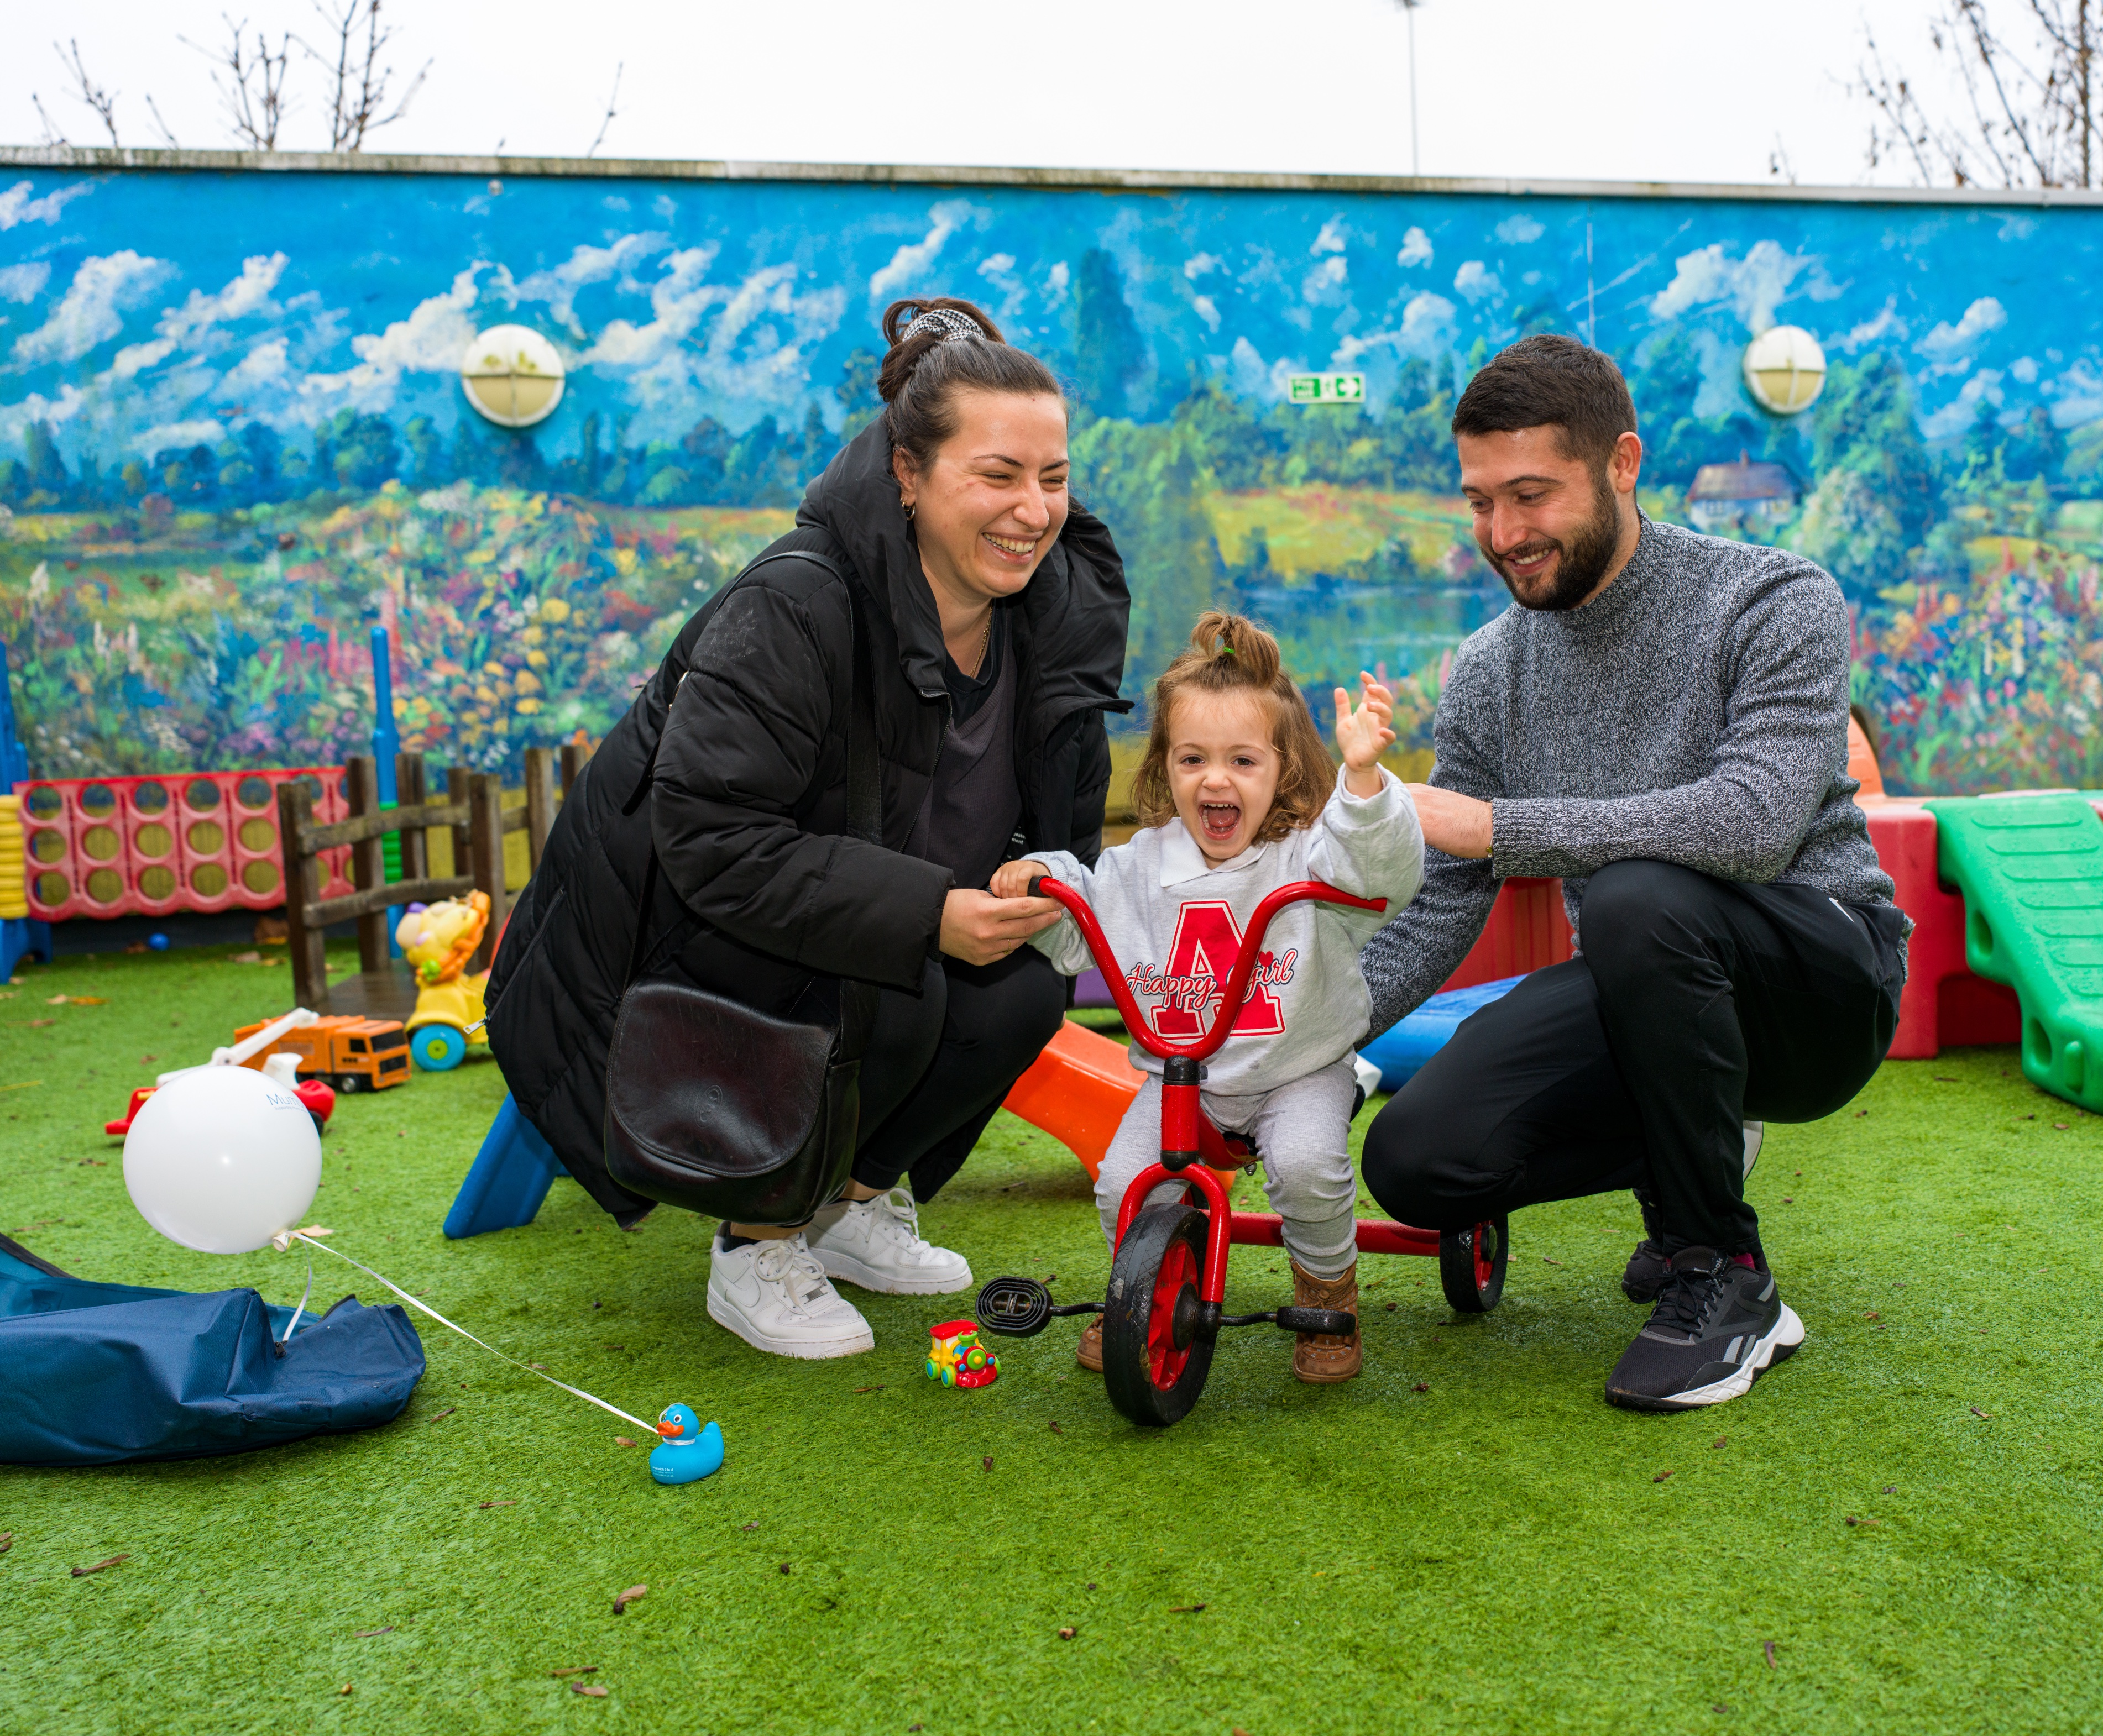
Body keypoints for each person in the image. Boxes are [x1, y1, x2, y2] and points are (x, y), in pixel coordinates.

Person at [487, 296, 1128, 1362]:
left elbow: (1063, 820)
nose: (1033, 509)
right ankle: (758, 1241)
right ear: (910, 475)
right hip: (663, 943)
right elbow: (712, 841)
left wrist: (1048, 888)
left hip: (858, 925)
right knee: (902, 980)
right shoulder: (794, 605)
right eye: (997, 474)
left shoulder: (1053, 616)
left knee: (1019, 994)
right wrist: (928, 909)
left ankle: (850, 1205)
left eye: (1053, 478)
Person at [1357, 334, 1908, 1412]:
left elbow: (1751, 825)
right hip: (1646, 982)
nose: (1503, 535)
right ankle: (1685, 1144)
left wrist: (1498, 826)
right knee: (1419, 1162)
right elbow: (1443, 899)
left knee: (1635, 893)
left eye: (1530, 495)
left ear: (1622, 464)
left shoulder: (1773, 599)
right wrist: (1300, 1035)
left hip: (1821, 985)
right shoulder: (1486, 669)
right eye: (1479, 502)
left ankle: (1724, 1269)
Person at [995, 613, 1422, 1382]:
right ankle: (1149, 1289)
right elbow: (1079, 921)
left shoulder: (1310, 856)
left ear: (1281, 769)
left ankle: (1329, 1289)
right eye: (1192, 758)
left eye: (1242, 760)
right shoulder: (1143, 866)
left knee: (1305, 1162)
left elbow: (1383, 870)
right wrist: (1042, 881)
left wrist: (1361, 782)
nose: (1215, 780)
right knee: (1124, 1181)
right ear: (1167, 767)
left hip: (1299, 1064)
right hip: (1181, 1079)